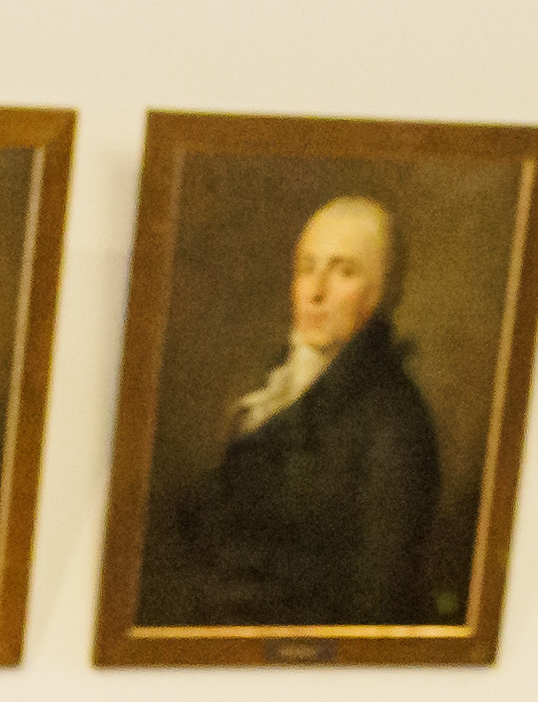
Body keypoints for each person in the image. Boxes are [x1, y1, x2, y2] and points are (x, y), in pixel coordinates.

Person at [148, 194, 440, 627]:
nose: (316, 292)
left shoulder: (394, 423)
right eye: (307, 268)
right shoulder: (278, 383)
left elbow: (377, 601)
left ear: (382, 291)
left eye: (344, 271)